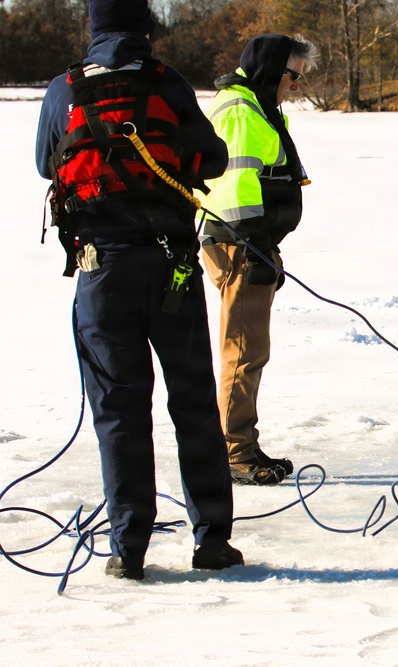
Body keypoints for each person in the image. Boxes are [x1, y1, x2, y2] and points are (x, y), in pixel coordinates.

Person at [35, 0, 243, 579]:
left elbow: (43, 162)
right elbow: (215, 156)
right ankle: (212, 542)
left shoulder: (64, 89)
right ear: (147, 30)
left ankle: (127, 550)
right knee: (193, 402)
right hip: (171, 267)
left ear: (93, 30)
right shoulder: (166, 82)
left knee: (120, 412)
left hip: (101, 274)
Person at [199, 34, 318, 486]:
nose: (296, 85)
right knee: (244, 351)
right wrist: (252, 248)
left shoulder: (253, 105)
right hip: (237, 244)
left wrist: (265, 246)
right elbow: (232, 186)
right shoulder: (241, 112)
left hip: (248, 243)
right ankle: (234, 451)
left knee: (249, 350)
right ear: (273, 69)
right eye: (293, 75)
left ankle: (241, 443)